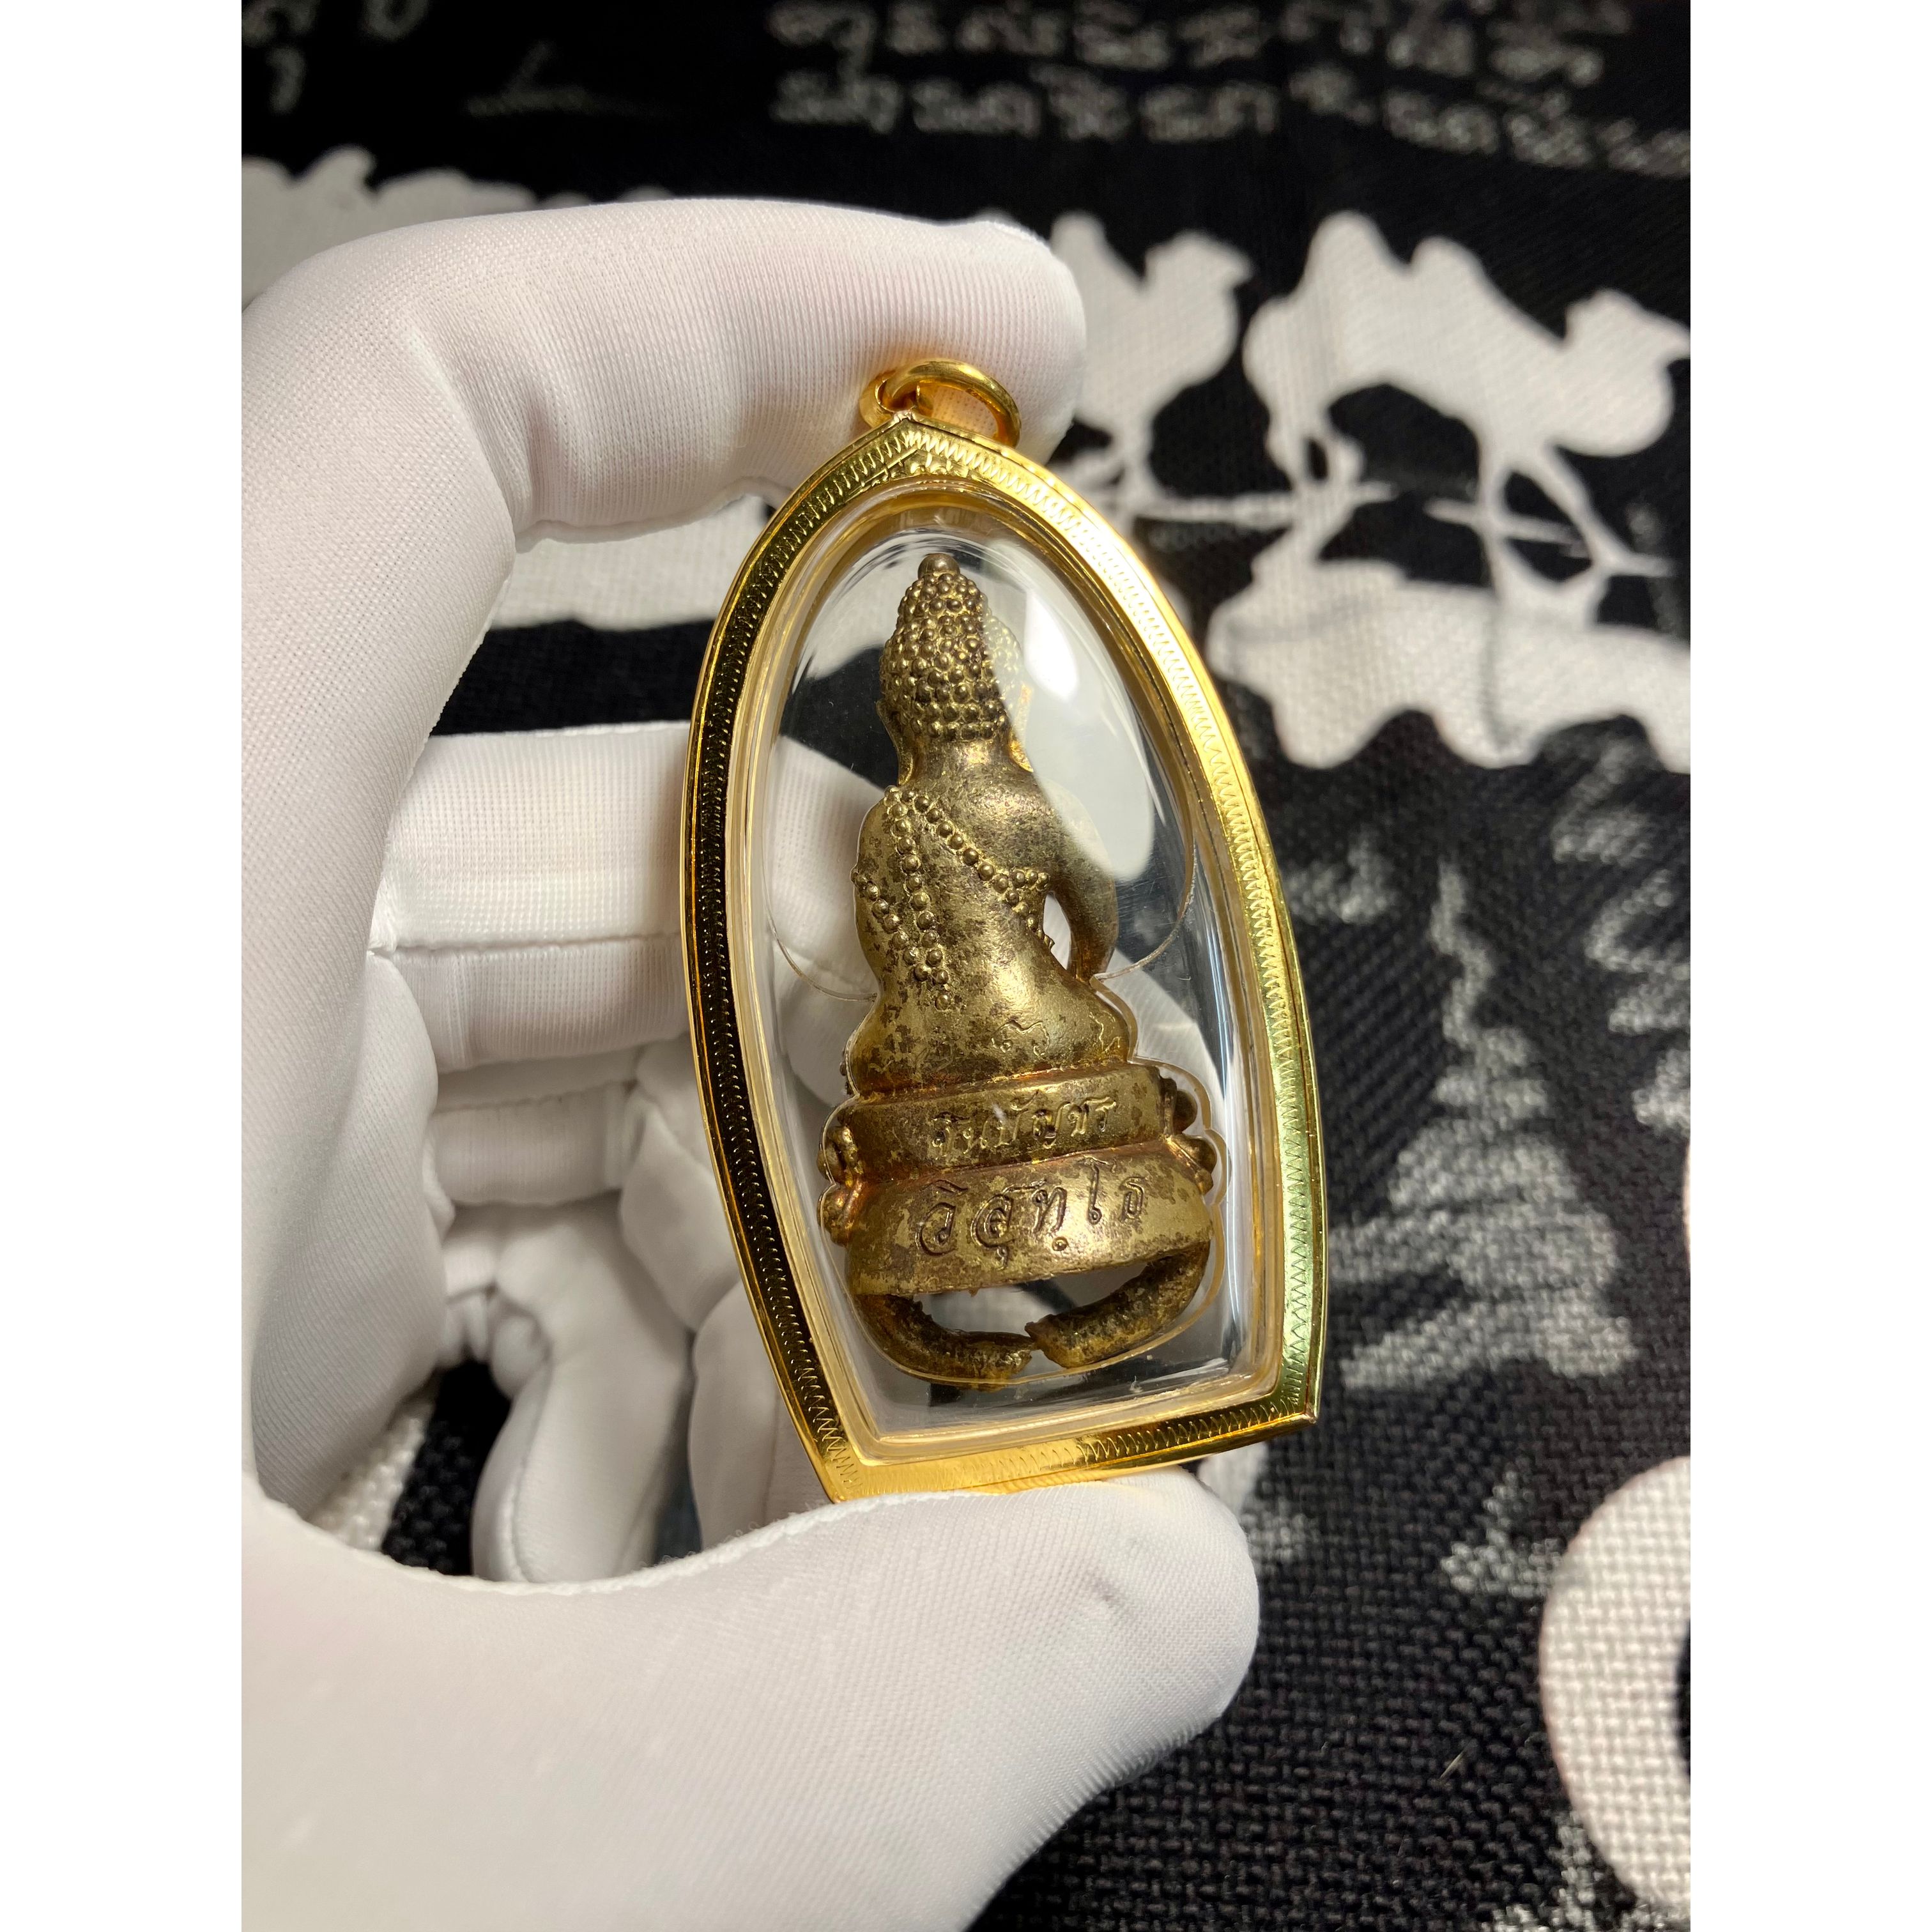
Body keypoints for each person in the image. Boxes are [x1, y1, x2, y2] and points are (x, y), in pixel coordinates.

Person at [243, 197, 1259, 1929]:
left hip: (930, 1070)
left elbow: (902, 958)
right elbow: (1095, 931)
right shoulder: (1006, 804)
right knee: (1082, 1050)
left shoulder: (902, 826)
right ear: (979, 713)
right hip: (1032, 1059)